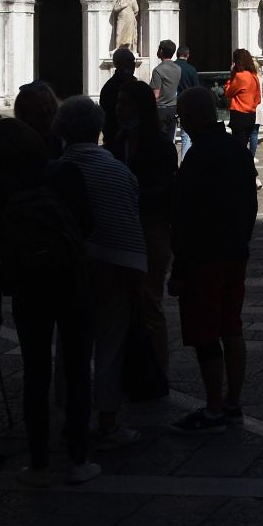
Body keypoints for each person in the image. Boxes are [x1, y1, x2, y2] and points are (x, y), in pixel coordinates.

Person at [0, 84, 98, 487]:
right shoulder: (65, 166)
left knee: (35, 369)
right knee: (75, 368)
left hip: (27, 281)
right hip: (69, 279)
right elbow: (86, 224)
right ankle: (77, 458)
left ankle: (37, 460)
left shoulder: (5, 165)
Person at [168, 86, 258, 433]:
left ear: (189, 118)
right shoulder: (237, 151)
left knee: (206, 332)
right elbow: (250, 204)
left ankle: (214, 407)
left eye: (182, 116)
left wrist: (178, 268)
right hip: (235, 251)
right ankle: (233, 402)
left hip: (204, 257)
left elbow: (185, 216)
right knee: (231, 326)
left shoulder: (198, 156)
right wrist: (242, 241)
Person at [57, 95, 145, 452]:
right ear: (98, 130)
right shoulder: (117, 170)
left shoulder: (54, 169)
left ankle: (69, 421)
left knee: (67, 348)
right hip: (113, 269)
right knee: (110, 347)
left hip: (68, 272)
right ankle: (107, 421)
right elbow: (130, 223)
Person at [108, 77, 175, 399]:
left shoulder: (159, 144)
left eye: (127, 104)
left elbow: (165, 190)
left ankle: (158, 373)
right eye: (119, 104)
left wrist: (129, 195)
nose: (121, 110)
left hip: (149, 229)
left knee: (150, 302)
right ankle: (132, 369)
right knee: (122, 304)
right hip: (122, 228)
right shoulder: (117, 139)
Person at [224, 48, 262, 163]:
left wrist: (231, 77)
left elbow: (228, 92)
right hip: (251, 114)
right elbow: (258, 99)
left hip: (239, 114)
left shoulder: (240, 76)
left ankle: (248, 172)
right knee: (244, 143)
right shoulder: (254, 76)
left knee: (239, 148)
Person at [99, 46, 138, 136]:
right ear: (119, 63)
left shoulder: (136, 84)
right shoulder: (110, 88)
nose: (133, 65)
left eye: (133, 61)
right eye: (129, 61)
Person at [150, 41, 184, 134]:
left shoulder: (158, 70)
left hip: (160, 109)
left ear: (161, 51)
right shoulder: (178, 68)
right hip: (173, 108)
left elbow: (155, 95)